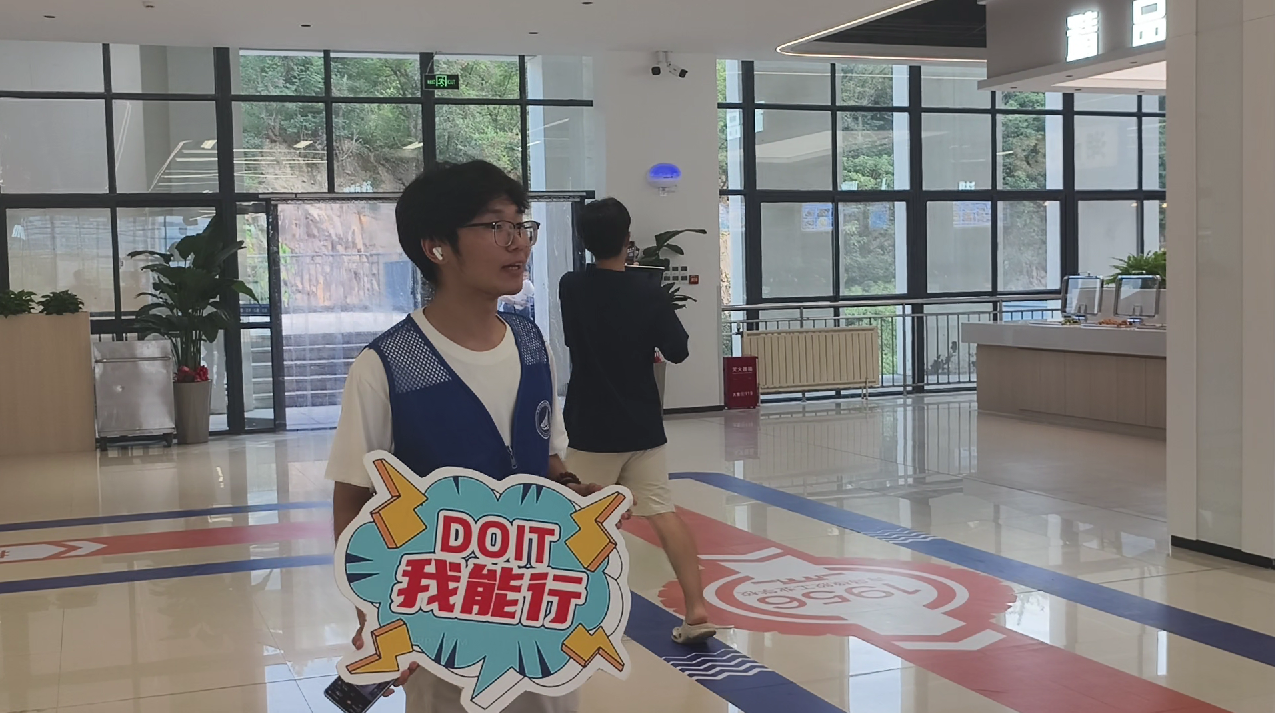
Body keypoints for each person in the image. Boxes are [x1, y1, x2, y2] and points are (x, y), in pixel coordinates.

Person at [326, 160, 594, 713]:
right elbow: (352, 499)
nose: (518, 242)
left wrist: (574, 491)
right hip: (441, 616)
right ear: (436, 247)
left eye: (521, 224)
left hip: (537, 607)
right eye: (496, 226)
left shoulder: (531, 344)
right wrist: (371, 613)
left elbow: (546, 458)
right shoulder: (388, 366)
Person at [559, 197, 716, 645]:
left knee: (573, 522)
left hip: (591, 426)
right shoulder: (649, 292)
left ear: (583, 240)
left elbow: (573, 338)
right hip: (642, 423)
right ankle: (696, 609)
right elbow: (678, 351)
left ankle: (567, 618)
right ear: (628, 239)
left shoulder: (571, 285)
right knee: (663, 513)